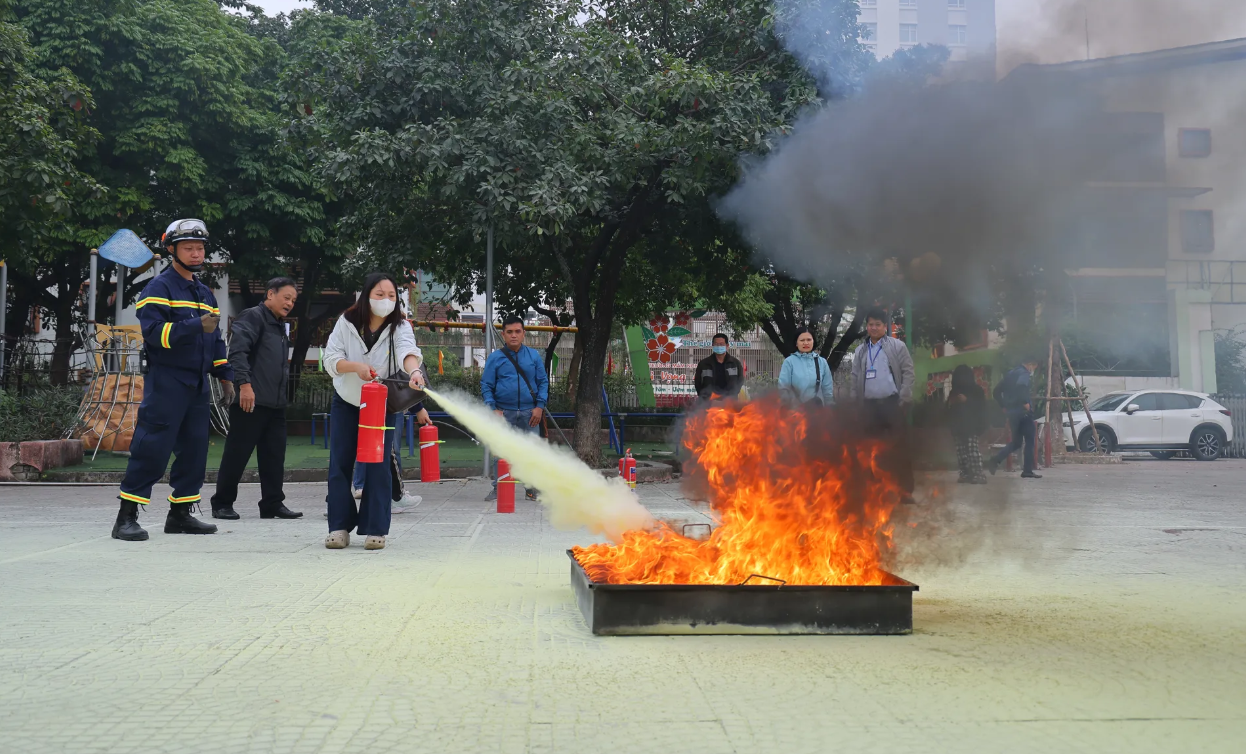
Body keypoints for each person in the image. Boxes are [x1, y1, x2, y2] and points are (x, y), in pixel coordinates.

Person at [111, 219, 234, 541]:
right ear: (171, 250)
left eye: (200, 248)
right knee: (152, 447)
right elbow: (153, 334)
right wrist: (194, 326)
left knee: (195, 451)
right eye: (188, 248)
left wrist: (225, 375)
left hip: (197, 384)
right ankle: (126, 517)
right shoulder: (158, 288)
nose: (196, 254)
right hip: (167, 380)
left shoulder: (204, 292)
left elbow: (215, 339)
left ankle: (180, 515)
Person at [322, 273, 425, 550]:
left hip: (382, 404)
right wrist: (355, 367)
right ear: (366, 296)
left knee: (379, 465)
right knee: (340, 462)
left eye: (391, 296)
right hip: (347, 400)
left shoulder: (400, 325)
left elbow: (407, 351)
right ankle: (339, 527)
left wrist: (414, 371)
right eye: (380, 295)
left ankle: (375, 529)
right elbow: (330, 359)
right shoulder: (347, 322)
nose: (386, 300)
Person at [210, 277, 302, 520]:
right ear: (270, 294)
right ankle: (222, 503)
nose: (290, 303)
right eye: (286, 298)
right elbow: (237, 353)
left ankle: (272, 503)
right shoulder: (253, 316)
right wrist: (245, 385)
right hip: (250, 400)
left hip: (275, 403)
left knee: (274, 456)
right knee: (237, 454)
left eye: (293, 300)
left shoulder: (279, 325)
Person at [848, 308, 916, 502]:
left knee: (899, 448)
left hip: (892, 404)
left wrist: (903, 397)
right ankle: (874, 492)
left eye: (878, 324)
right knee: (869, 450)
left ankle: (905, 492)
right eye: (870, 324)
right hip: (869, 407)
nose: (874, 328)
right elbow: (854, 377)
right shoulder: (860, 351)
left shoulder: (897, 346)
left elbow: (908, 372)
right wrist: (854, 402)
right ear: (867, 326)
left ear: (885, 326)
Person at [481, 315, 548, 501]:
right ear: (503, 334)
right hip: (503, 413)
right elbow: (486, 385)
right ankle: (499, 489)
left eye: (517, 331)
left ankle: (531, 489)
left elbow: (543, 382)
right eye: (509, 332)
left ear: (524, 334)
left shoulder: (533, 356)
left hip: (530, 413)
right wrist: (492, 408)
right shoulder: (495, 358)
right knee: (501, 454)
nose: (513, 335)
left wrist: (540, 407)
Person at [351, 401, 429, 511]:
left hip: (370, 403)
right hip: (391, 405)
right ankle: (395, 497)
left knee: (369, 446)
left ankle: (366, 489)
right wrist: (418, 408)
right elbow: (400, 390)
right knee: (390, 450)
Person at [988, 357, 1042, 479]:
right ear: (1030, 364)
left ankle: (995, 460)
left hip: (1012, 413)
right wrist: (1025, 403)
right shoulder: (1024, 373)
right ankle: (1027, 470)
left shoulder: (1010, 374)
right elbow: (1021, 386)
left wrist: (1003, 406)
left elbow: (996, 391)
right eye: (1034, 367)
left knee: (1016, 442)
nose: (1033, 370)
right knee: (1030, 441)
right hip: (1023, 413)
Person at [946, 365, 988, 484]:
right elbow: (948, 409)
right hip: (958, 427)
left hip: (971, 426)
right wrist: (951, 403)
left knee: (972, 450)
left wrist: (967, 400)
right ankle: (965, 474)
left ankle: (978, 474)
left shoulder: (977, 390)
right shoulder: (954, 392)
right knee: (961, 453)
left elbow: (981, 407)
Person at [777, 328, 835, 406]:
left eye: (809, 340)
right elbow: (783, 387)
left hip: (817, 410)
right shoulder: (789, 362)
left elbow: (827, 388)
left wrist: (829, 407)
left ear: (813, 341)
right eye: (802, 340)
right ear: (796, 343)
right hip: (795, 410)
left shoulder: (822, 362)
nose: (806, 343)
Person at [694, 333, 745, 401]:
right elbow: (697, 383)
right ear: (713, 345)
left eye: (721, 344)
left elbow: (740, 380)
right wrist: (704, 398)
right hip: (708, 403)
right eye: (716, 344)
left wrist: (732, 396)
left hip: (730, 403)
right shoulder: (704, 364)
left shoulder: (735, 363)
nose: (718, 346)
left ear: (727, 346)